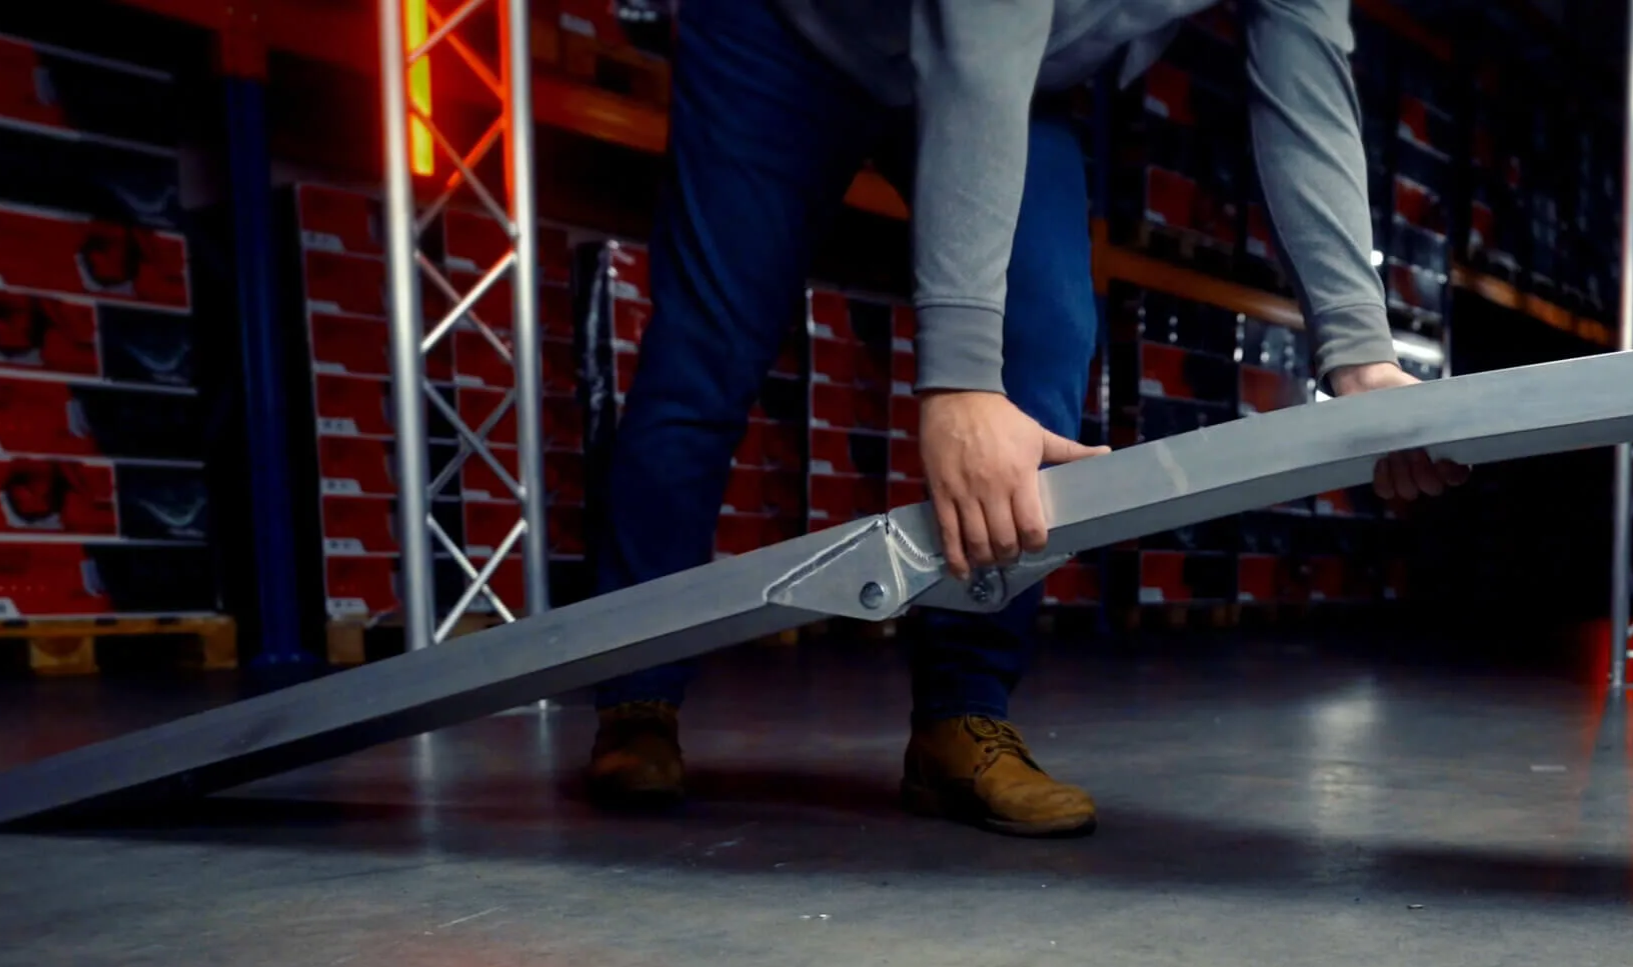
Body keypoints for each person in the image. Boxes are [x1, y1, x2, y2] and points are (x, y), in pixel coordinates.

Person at [584, 0, 1466, 836]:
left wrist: (1361, 356)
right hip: (790, 35)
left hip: (1024, 75)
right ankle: (636, 697)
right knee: (707, 352)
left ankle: (961, 715)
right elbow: (976, 37)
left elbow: (1309, 101)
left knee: (1046, 336)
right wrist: (958, 380)